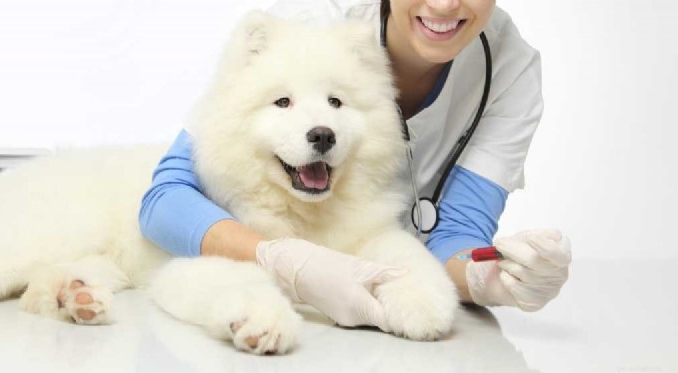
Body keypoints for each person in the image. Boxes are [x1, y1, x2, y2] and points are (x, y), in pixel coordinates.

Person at [139, 0, 571, 328]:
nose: (442, 5)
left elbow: (458, 233)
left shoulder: (510, 67)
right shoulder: (310, 21)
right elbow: (165, 198)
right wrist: (277, 258)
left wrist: (492, 278)